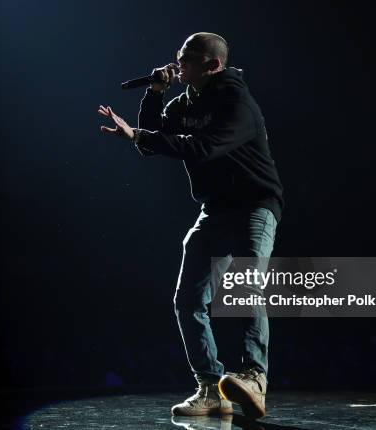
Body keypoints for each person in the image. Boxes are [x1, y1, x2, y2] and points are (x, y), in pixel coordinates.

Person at [98, 32, 284, 420]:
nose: (177, 63)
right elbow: (154, 140)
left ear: (212, 64)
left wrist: (140, 134)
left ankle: (254, 376)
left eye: (185, 58)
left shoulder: (237, 102)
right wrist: (153, 95)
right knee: (188, 300)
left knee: (247, 284)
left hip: (254, 205)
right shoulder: (185, 102)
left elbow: (202, 148)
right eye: (178, 57)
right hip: (214, 210)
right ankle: (210, 387)